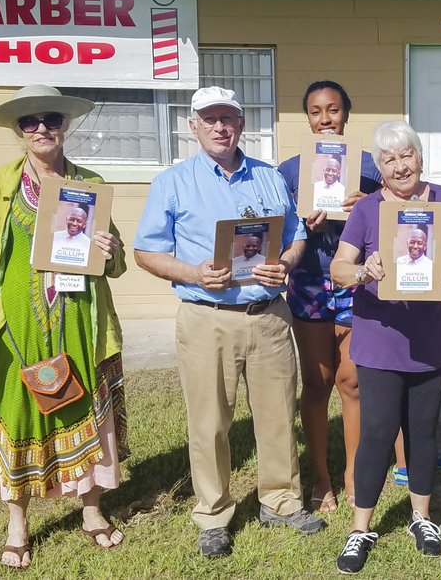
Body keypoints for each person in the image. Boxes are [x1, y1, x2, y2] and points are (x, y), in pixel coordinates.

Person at [134, 85, 324, 559]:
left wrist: (287, 261)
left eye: (228, 118)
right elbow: (145, 251)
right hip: (206, 318)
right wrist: (193, 272)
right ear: (193, 125)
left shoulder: (268, 176)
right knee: (210, 423)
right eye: (210, 119)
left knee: (279, 416)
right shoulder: (172, 182)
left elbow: (296, 233)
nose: (220, 127)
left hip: (269, 317)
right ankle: (214, 512)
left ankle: (280, 501)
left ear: (240, 124)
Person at [0, 85, 128, 570]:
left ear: (64, 125)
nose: (41, 129)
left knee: (81, 410)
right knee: (23, 414)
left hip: (78, 321)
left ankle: (91, 511)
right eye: (30, 122)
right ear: (18, 130)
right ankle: (17, 525)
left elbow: (115, 266)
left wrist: (112, 253)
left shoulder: (89, 183)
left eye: (50, 118)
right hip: (17, 325)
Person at [328, 120, 441, 574]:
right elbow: (340, 266)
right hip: (380, 337)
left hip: (431, 337)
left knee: (423, 430)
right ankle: (361, 528)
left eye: (407, 155)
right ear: (379, 167)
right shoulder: (367, 210)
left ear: (420, 157)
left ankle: (422, 517)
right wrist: (363, 271)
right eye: (389, 159)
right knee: (377, 432)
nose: (400, 166)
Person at [277, 80, 382, 514]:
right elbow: (281, 231)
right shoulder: (287, 172)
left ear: (346, 115)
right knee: (318, 383)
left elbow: (393, 226)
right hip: (309, 282)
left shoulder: (372, 170)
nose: (325, 119)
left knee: (351, 382)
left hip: (355, 284)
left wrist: (370, 203)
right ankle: (321, 478)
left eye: (333, 110)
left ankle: (353, 476)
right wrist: (305, 226)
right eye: (316, 111)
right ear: (307, 118)